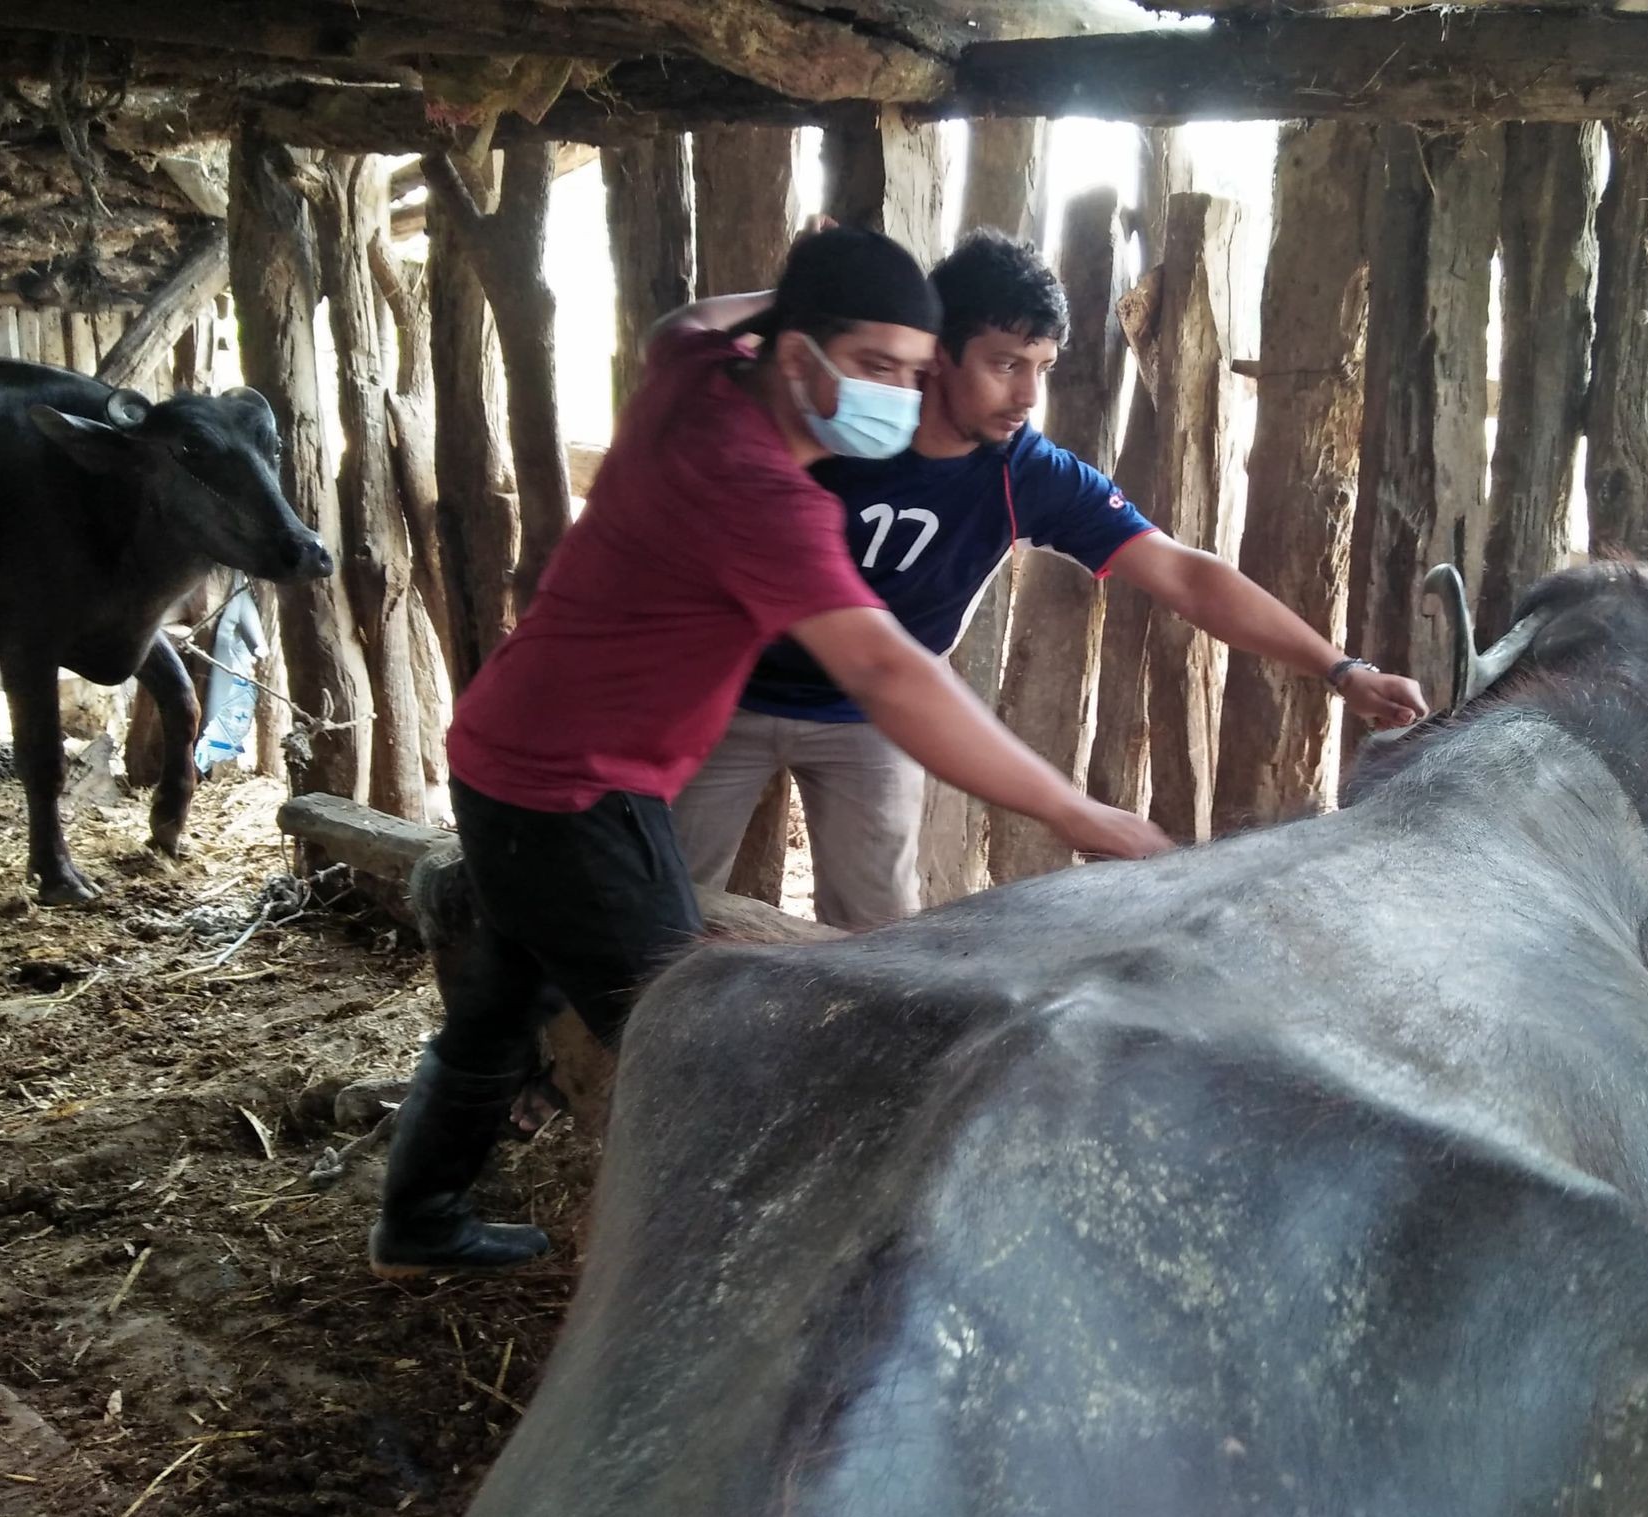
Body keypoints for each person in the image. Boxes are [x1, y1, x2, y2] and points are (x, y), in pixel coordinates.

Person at [368, 227, 1169, 1278]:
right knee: (691, 1051)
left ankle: (418, 1221)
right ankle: (715, 1290)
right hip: (576, 794)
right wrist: (1079, 815)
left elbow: (685, 320)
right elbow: (888, 676)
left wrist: (800, 296)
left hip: (501, 753)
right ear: (797, 358)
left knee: (503, 1001)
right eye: (876, 366)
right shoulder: (764, 493)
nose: (899, 389)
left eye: (911, 366)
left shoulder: (694, 378)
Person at [672, 230, 1430, 932]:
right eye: (1006, 364)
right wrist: (819, 299)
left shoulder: (1026, 473)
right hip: (724, 693)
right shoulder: (833, 419)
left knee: (875, 940)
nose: (1029, 396)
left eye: (1043, 368)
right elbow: (688, 334)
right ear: (936, 352)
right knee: (664, 912)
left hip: (874, 721)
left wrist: (1341, 668)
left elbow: (1184, 576)